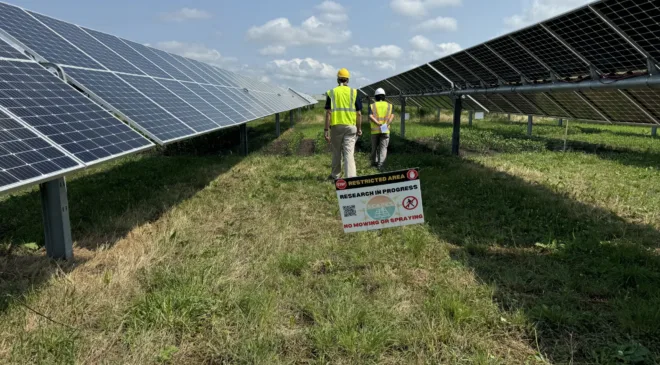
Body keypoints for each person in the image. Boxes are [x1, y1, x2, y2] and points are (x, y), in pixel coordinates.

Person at [324, 68, 362, 180]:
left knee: (336, 151)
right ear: (348, 80)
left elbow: (328, 113)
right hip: (351, 127)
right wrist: (359, 128)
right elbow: (359, 113)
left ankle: (335, 176)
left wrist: (326, 130)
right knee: (349, 153)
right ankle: (351, 178)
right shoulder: (354, 92)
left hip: (336, 127)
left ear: (337, 79)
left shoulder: (332, 92)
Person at [368, 88, 394, 170]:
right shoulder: (390, 105)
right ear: (384, 96)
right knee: (383, 148)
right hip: (385, 129)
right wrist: (386, 124)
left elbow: (370, 116)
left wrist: (378, 123)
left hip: (375, 130)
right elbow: (391, 116)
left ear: (375, 97)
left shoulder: (372, 105)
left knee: (374, 147)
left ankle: (374, 163)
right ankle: (381, 165)